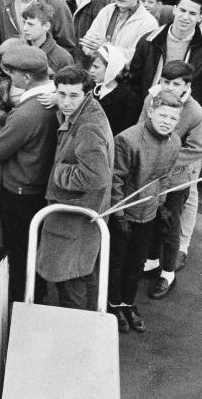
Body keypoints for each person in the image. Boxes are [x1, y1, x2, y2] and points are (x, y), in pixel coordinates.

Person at [0, 44, 59, 302]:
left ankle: (20, 304)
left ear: (27, 78)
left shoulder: (27, 112)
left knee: (18, 257)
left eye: (13, 73)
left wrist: (1, 127)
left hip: (19, 196)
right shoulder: (53, 101)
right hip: (39, 191)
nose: (10, 78)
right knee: (32, 254)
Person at [37, 66, 114, 310]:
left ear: (87, 94)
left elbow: (95, 176)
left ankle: (75, 337)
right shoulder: (87, 112)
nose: (66, 102)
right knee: (83, 274)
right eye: (61, 94)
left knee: (71, 284)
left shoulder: (88, 126)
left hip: (76, 216)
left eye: (73, 96)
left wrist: (58, 172)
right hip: (84, 215)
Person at [109, 90, 182, 334]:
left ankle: (128, 304)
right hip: (124, 214)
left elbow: (166, 176)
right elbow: (115, 181)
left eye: (173, 118)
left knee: (137, 262)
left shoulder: (175, 142)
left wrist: (161, 204)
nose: (167, 122)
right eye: (162, 115)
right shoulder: (127, 140)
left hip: (149, 213)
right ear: (150, 112)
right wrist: (118, 215)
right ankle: (113, 305)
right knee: (117, 262)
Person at [140, 61, 202, 299]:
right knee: (153, 219)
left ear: (187, 85)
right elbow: (141, 128)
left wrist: (163, 160)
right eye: (165, 82)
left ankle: (168, 273)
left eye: (175, 84)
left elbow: (195, 150)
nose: (168, 87)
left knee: (170, 224)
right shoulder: (152, 100)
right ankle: (153, 261)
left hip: (177, 179)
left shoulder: (195, 111)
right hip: (152, 174)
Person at [128, 0, 202, 103]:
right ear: (175, 9)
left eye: (192, 13)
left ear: (200, 17)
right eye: (182, 10)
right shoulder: (149, 41)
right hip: (148, 106)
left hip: (184, 111)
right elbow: (134, 81)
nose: (185, 17)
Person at [79, 0, 159, 63]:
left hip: (125, 76)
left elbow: (136, 58)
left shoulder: (149, 23)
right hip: (97, 71)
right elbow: (88, 42)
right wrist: (95, 50)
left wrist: (105, 48)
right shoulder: (107, 10)